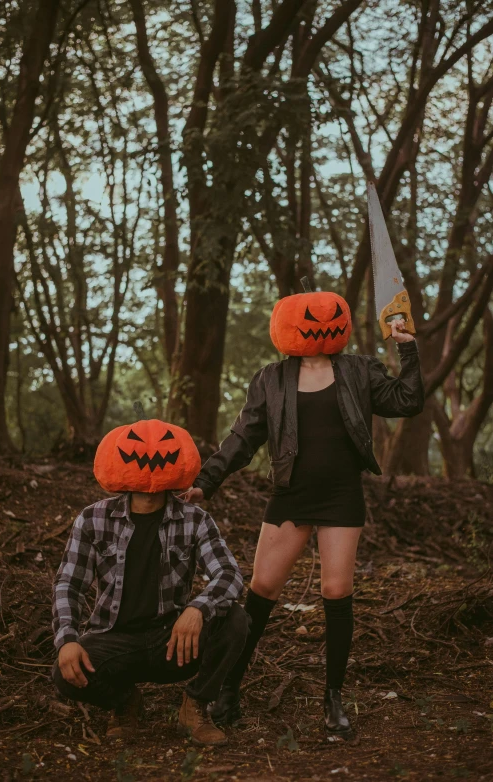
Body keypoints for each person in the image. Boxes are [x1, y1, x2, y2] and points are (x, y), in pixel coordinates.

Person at [182, 289, 424, 741]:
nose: (321, 323)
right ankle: (228, 689)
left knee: (337, 591)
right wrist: (208, 479)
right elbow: (243, 437)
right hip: (291, 495)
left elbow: (407, 401)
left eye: (331, 315)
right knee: (262, 590)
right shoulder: (270, 379)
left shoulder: (359, 369)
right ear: (287, 327)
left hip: (341, 495)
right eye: (311, 319)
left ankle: (333, 700)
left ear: (342, 321)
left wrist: (406, 346)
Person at [51, 416, 248, 746]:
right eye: (135, 448)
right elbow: (68, 584)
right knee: (65, 672)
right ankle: (124, 703)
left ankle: (195, 705)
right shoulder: (92, 518)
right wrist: (67, 638)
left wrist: (198, 608)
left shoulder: (195, 519)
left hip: (172, 643)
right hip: (114, 641)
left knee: (236, 619)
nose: (150, 455)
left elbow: (229, 575)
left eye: (164, 445)